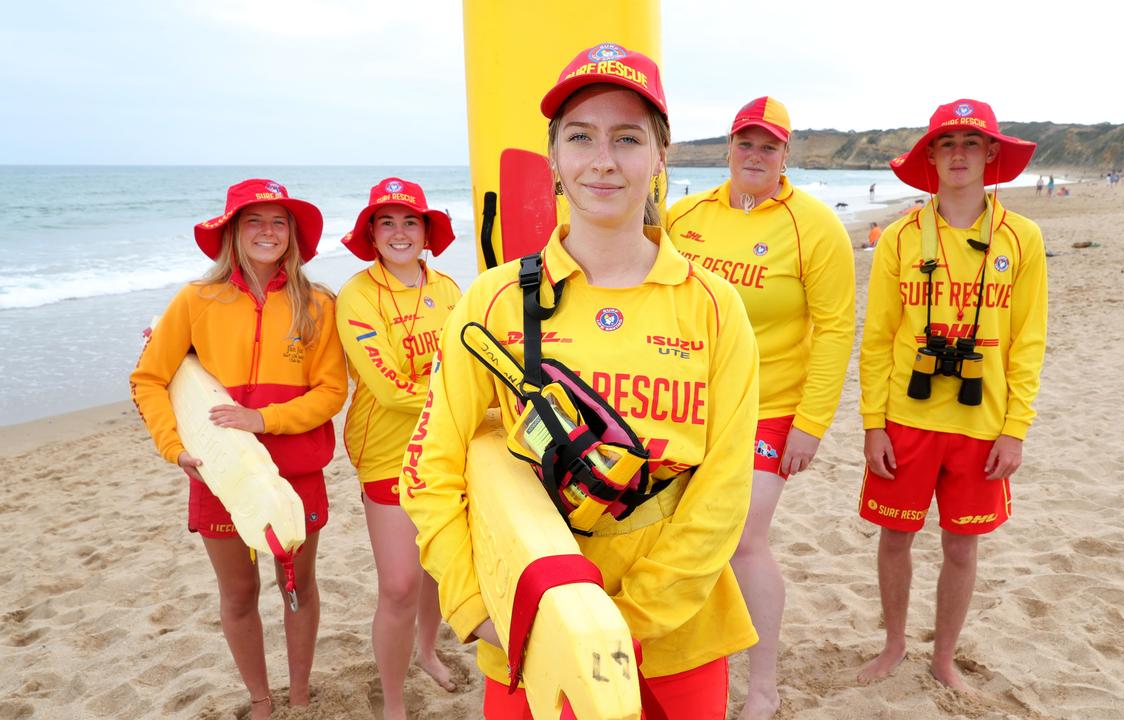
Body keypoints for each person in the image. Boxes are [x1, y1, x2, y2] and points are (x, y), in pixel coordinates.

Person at [398, 42, 760, 719]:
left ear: (660, 157)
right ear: (554, 160)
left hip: (677, 633)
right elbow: (429, 467)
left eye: (627, 138)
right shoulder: (494, 301)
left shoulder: (712, 305)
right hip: (530, 626)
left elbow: (724, 487)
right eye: (580, 136)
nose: (603, 159)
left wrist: (632, 617)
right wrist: (475, 602)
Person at [666, 96, 856, 719]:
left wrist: (811, 425)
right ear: (728, 146)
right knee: (678, 535)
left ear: (786, 155)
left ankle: (763, 686)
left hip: (768, 407)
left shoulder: (814, 225)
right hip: (686, 404)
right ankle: (687, 666)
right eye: (746, 143)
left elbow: (833, 330)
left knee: (743, 538)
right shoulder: (683, 215)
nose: (755, 155)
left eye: (768, 146)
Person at [131, 179, 347, 718]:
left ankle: (299, 692)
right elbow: (150, 378)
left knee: (297, 584)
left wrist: (263, 419)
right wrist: (175, 448)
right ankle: (260, 698)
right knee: (239, 591)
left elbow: (331, 391)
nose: (267, 231)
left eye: (279, 222)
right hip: (218, 473)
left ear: (292, 235)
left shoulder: (318, 303)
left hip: (296, 470)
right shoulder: (196, 300)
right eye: (254, 220)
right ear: (232, 232)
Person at [856, 99, 1048, 692]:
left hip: (982, 421)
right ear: (931, 157)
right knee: (896, 536)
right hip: (905, 417)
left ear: (991, 154)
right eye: (947, 143)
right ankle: (893, 645)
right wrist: (873, 423)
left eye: (971, 142)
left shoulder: (1023, 238)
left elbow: (1028, 341)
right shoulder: (900, 237)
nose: (959, 153)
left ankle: (943, 657)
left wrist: (1016, 428)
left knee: (961, 548)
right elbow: (879, 336)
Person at [335, 178, 462, 718]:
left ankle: (428, 650)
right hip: (386, 454)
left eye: (410, 221)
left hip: (444, 450)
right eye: (386, 222)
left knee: (435, 569)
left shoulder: (451, 290)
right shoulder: (358, 295)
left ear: (427, 230)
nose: (400, 232)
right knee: (399, 585)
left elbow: (472, 363)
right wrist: (469, 402)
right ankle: (392, 701)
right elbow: (387, 388)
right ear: (371, 233)